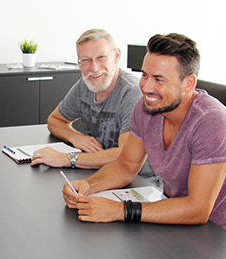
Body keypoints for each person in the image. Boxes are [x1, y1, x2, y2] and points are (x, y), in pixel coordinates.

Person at [62, 33, 226, 240]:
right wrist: (87, 185)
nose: (146, 87)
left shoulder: (213, 122)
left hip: (215, 239)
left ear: (188, 83)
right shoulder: (146, 108)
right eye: (145, 75)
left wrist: (119, 210)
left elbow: (198, 209)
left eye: (159, 79)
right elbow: (126, 166)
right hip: (169, 222)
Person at [30, 29, 156, 183]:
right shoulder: (85, 85)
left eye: (101, 58)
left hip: (139, 182)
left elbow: (125, 155)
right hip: (100, 172)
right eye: (86, 60)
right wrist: (76, 137)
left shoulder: (132, 92)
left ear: (116, 56)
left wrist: (67, 158)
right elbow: (55, 120)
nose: (94, 68)